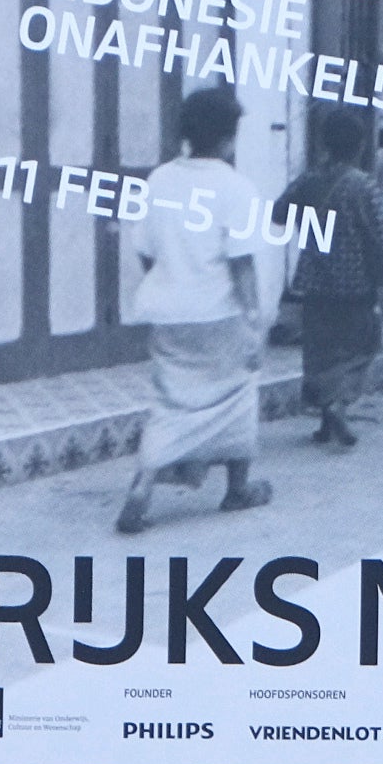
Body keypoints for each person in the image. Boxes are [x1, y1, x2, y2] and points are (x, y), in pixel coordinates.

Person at [113, 83, 272, 535]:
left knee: (170, 402)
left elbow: (145, 250)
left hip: (168, 311)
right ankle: (236, 487)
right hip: (218, 313)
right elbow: (242, 264)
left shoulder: (159, 180)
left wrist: (173, 277)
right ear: (228, 137)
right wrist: (255, 320)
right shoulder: (236, 188)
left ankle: (143, 485)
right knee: (238, 395)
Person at [281, 103, 383, 449]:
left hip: (315, 282)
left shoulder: (308, 181)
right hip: (356, 283)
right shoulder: (363, 186)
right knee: (360, 349)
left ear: (325, 143)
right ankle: (338, 405)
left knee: (320, 352)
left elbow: (279, 213)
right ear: (360, 145)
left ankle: (325, 420)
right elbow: (381, 238)